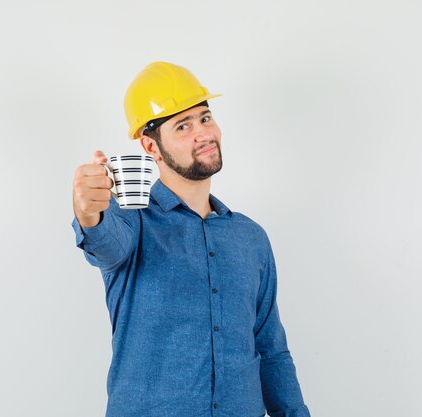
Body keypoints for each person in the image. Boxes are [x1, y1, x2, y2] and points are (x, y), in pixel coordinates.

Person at [71, 62, 311, 417]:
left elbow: (271, 350)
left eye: (205, 118)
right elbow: (104, 242)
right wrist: (88, 212)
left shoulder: (250, 238)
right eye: (183, 126)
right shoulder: (131, 221)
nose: (203, 133)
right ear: (151, 147)